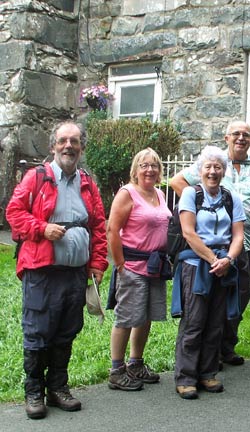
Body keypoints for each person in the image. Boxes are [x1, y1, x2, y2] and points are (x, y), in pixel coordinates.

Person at [6, 121, 108, 419]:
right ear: (53, 146)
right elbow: (13, 213)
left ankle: (58, 388)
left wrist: (98, 264)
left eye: (74, 141)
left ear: (81, 148)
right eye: (63, 141)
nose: (68, 146)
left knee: (66, 332)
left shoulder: (87, 181)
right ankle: (34, 391)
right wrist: (42, 228)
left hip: (75, 273)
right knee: (38, 332)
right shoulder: (36, 178)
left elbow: (98, 226)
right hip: (42, 271)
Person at [170, 121, 250, 367]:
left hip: (243, 246)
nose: (241, 138)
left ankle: (226, 347)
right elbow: (176, 182)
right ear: (226, 138)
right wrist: (198, 205)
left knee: (238, 298)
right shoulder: (212, 162)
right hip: (209, 248)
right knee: (201, 307)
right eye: (236, 134)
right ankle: (203, 358)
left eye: (246, 135)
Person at [174, 146, 246, 399]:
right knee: (194, 321)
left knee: (216, 321)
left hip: (222, 266)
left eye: (217, 167)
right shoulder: (189, 195)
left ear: (223, 171)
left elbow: (238, 235)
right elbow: (188, 233)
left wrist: (228, 259)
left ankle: (207, 373)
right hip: (196, 266)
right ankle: (185, 377)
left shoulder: (231, 198)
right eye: (208, 167)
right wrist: (214, 259)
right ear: (199, 170)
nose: (213, 172)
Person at [106, 148, 172, 391]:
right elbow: (112, 230)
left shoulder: (160, 193)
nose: (150, 169)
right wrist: (120, 264)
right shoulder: (127, 194)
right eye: (144, 165)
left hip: (155, 267)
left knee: (145, 318)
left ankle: (135, 364)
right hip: (132, 266)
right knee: (126, 318)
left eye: (154, 165)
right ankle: (116, 370)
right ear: (135, 170)